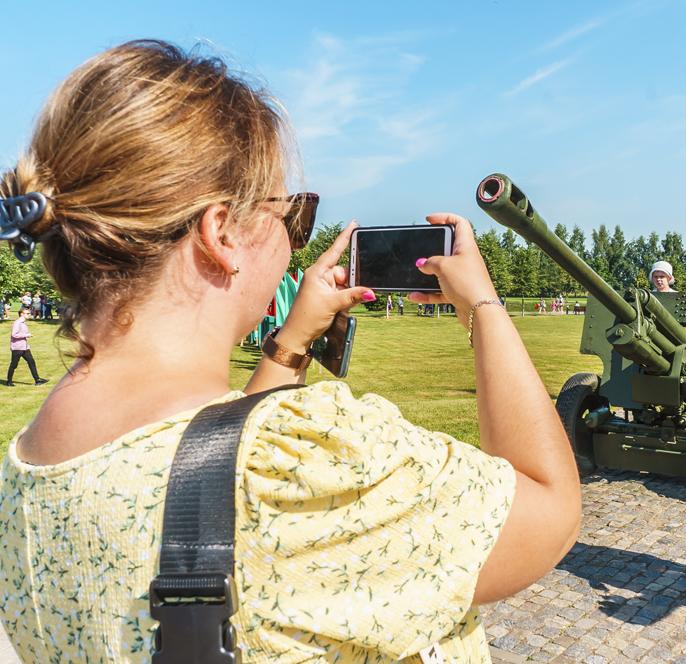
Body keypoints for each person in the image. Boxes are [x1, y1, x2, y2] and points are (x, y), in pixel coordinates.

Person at [0, 40, 581, 663]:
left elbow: (211, 464)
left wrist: (293, 342)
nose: (294, 242)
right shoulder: (313, 459)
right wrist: (483, 306)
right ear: (221, 234)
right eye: (292, 215)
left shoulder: (33, 458)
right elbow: (547, 508)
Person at [5, 306, 48, 386]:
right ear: (21, 314)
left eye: (29, 313)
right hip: (17, 348)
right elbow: (14, 334)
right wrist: (26, 335)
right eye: (27, 313)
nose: (29, 314)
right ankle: (9, 381)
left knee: (31, 362)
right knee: (14, 364)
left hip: (25, 347)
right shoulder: (17, 323)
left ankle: (37, 380)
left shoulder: (23, 323)